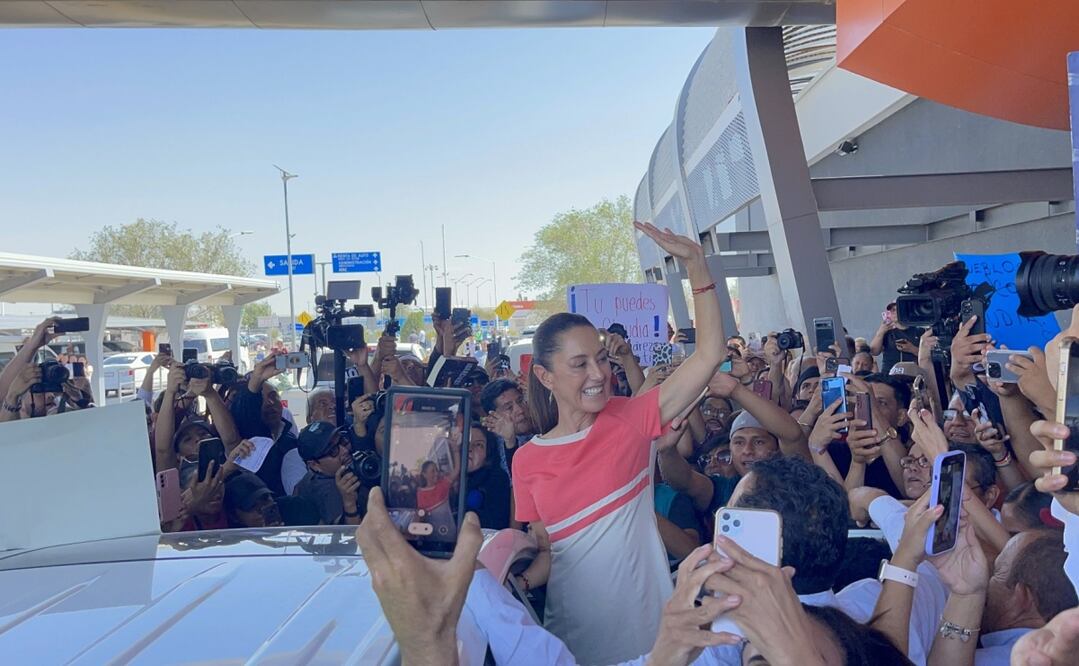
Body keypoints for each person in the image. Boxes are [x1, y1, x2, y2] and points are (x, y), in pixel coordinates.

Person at [510, 222, 726, 665]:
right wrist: (512, 583)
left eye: (602, 359)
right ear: (545, 376)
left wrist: (696, 265)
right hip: (573, 641)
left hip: (651, 638)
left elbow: (708, 355)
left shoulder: (631, 418)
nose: (598, 374)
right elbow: (552, 551)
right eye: (579, 364)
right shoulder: (526, 461)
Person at [229, 353, 300, 496]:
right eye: (261, 399)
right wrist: (257, 380)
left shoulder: (292, 440)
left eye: (274, 396)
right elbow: (246, 409)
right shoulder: (250, 437)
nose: (270, 403)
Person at [292, 420, 364, 525]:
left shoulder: (324, 475)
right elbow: (346, 536)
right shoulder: (327, 490)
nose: (344, 450)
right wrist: (349, 503)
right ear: (314, 465)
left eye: (342, 441)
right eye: (333, 451)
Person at [479, 378, 535, 477]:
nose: (520, 410)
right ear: (493, 417)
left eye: (520, 401)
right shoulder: (492, 450)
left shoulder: (546, 424)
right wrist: (510, 442)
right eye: (509, 408)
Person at [464, 423, 512, 530]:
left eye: (478, 445)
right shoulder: (444, 478)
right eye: (465, 442)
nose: (469, 448)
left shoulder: (497, 481)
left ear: (488, 456)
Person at [870, 302, 924, 374]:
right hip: (888, 373)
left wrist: (912, 349)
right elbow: (874, 351)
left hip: (912, 374)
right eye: (892, 310)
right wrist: (880, 333)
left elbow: (927, 356)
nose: (894, 312)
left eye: (897, 309)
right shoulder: (886, 331)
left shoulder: (919, 330)